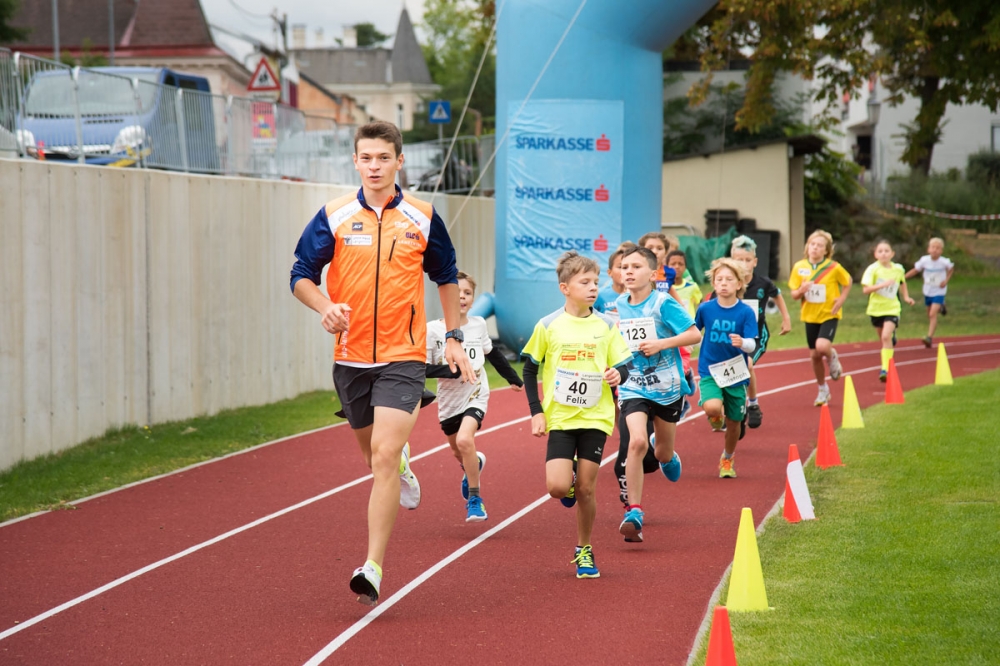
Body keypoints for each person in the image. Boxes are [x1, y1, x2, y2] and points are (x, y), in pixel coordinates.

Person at [290, 120, 474, 606]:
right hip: (350, 357)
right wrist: (324, 307)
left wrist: (453, 337)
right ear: (355, 161)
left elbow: (446, 276)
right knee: (374, 458)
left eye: (383, 158)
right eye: (366, 158)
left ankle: (372, 565)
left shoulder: (422, 216)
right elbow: (301, 274)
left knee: (385, 456)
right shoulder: (334, 215)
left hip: (403, 356)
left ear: (399, 161)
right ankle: (401, 466)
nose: (374, 166)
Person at [521, 251, 633, 578]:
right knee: (558, 487)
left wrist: (618, 374)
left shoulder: (607, 325)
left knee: (586, 489)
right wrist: (536, 412)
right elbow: (529, 370)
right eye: (585, 282)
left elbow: (624, 364)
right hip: (560, 418)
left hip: (596, 417)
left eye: (595, 282)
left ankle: (584, 548)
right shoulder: (548, 325)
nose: (593, 288)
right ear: (565, 288)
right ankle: (567, 480)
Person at [615, 247, 701, 542]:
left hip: (666, 386)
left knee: (661, 452)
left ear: (652, 274)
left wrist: (661, 344)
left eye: (636, 266)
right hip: (633, 384)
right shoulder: (620, 304)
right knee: (637, 442)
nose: (628, 271)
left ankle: (667, 455)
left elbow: (694, 334)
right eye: (624, 267)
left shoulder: (663, 303)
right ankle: (634, 511)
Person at [426, 271, 524, 523]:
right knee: (458, 450)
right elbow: (422, 368)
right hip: (449, 402)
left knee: (464, 439)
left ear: (472, 298)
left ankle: (474, 499)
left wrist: (512, 377)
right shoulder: (433, 330)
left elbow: (493, 354)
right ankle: (472, 463)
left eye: (467, 293)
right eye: (456, 292)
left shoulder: (478, 324)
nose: (462, 297)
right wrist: (451, 370)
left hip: (475, 394)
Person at [694, 259, 758, 478]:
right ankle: (714, 416)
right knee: (712, 407)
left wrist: (743, 343)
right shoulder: (705, 309)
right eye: (719, 279)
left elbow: (752, 343)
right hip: (710, 369)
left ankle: (727, 458)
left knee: (735, 424)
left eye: (729, 279)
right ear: (713, 283)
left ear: (739, 284)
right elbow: (694, 332)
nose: (723, 283)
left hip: (736, 373)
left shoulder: (746, 312)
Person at [727, 236, 792, 427]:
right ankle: (730, 408)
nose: (744, 264)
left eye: (748, 260)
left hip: (756, 335)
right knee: (730, 368)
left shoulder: (763, 283)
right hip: (733, 335)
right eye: (739, 259)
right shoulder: (727, 283)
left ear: (755, 262)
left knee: (746, 364)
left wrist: (786, 318)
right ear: (732, 261)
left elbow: (777, 295)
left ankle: (753, 404)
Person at [787, 230, 852, 406]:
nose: (815, 248)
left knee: (822, 346)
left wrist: (842, 298)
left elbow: (848, 281)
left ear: (826, 250)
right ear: (807, 247)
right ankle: (823, 389)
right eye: (812, 244)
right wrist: (801, 290)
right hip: (810, 315)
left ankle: (831, 357)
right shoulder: (799, 267)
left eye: (820, 245)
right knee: (814, 355)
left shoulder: (833, 267)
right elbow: (794, 294)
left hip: (829, 313)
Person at [862, 240, 915, 381]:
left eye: (886, 251)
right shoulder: (872, 269)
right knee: (884, 338)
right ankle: (891, 340)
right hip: (876, 309)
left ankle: (885, 369)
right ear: (875, 254)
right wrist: (882, 285)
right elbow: (866, 290)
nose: (883, 254)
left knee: (886, 336)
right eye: (880, 251)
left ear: (892, 254)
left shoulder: (898, 269)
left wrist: (906, 297)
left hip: (892, 308)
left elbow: (902, 282)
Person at [905, 237, 955, 348]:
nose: (935, 250)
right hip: (927, 291)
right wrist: (903, 277)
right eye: (933, 247)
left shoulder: (944, 262)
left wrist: (946, 281)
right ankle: (941, 306)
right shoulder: (924, 260)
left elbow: (951, 269)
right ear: (928, 249)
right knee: (929, 314)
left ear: (941, 251)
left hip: (939, 291)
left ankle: (929, 337)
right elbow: (915, 270)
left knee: (932, 314)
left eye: (938, 248)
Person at [594, 241, 638, 322]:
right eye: (620, 267)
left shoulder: (640, 295)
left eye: (628, 267)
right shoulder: (599, 295)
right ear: (609, 272)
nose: (625, 271)